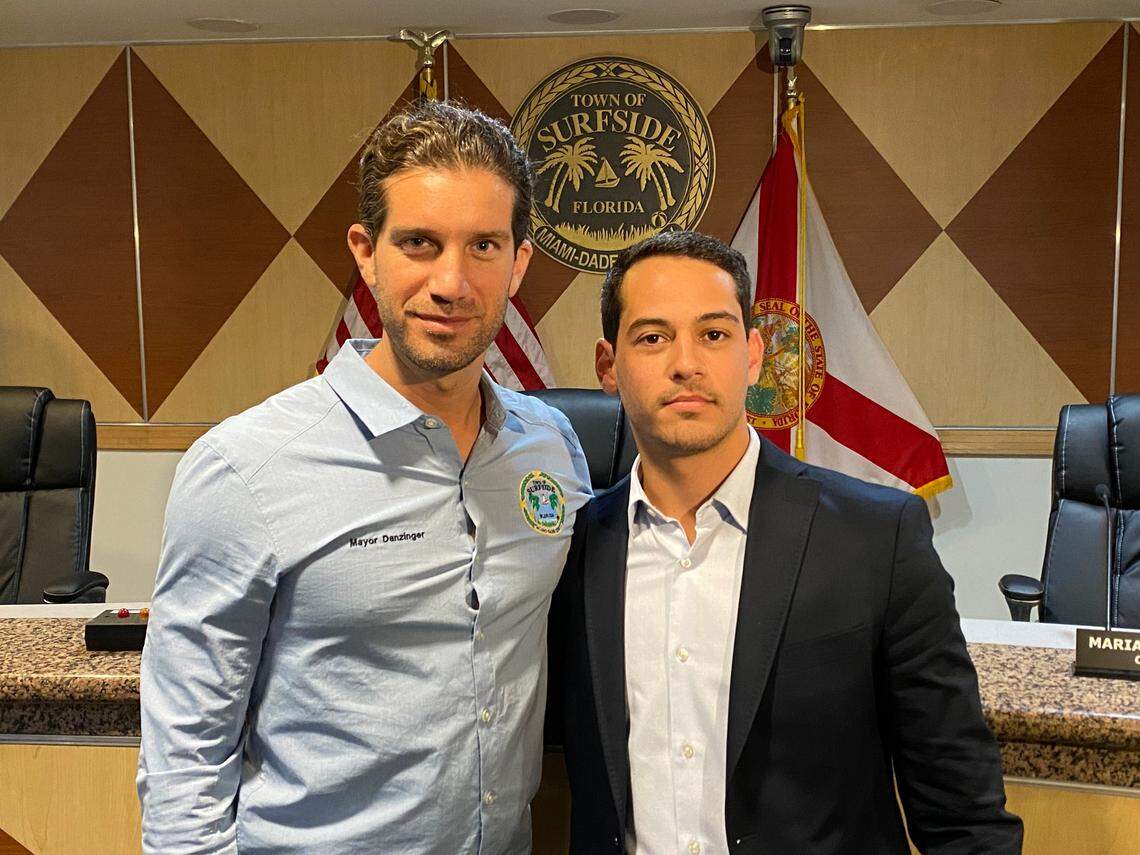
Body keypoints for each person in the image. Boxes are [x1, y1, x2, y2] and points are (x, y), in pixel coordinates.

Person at [138, 101, 591, 854]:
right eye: (419, 242)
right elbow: (185, 755)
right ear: (366, 251)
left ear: (519, 262)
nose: (452, 281)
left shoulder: (551, 446)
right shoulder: (244, 468)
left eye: (483, 245)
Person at [551, 231, 1023, 854]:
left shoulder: (878, 538)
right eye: (653, 337)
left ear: (752, 355)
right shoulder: (571, 550)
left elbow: (962, 812)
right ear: (608, 367)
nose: (686, 362)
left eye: (713, 334)